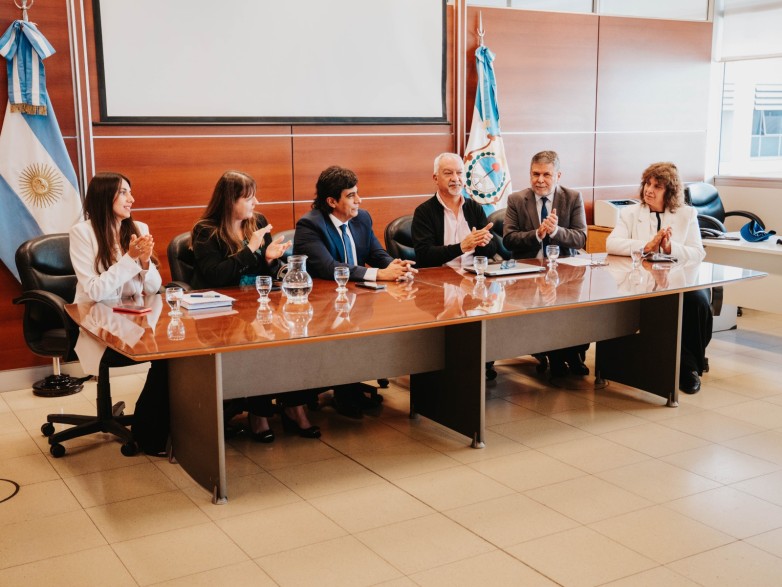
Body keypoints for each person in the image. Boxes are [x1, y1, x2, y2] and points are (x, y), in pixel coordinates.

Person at [191, 170, 320, 439]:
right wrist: (250, 249)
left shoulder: (257, 222)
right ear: (230, 200)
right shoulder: (206, 231)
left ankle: (294, 407)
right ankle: (259, 414)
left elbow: (266, 273)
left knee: (293, 337)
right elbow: (216, 277)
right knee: (259, 345)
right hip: (225, 315)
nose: (256, 203)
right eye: (249, 198)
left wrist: (271, 259)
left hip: (260, 305)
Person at [294, 165, 416, 418]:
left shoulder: (362, 218)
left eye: (357, 193)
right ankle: (344, 392)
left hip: (357, 301)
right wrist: (378, 274)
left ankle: (350, 386)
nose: (359, 200)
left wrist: (395, 266)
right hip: (324, 308)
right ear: (332, 201)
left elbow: (376, 253)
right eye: (351, 195)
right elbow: (328, 267)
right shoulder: (310, 225)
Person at [69, 172, 169, 456]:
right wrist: (130, 258)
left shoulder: (138, 227)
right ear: (104, 197)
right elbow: (95, 291)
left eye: (130, 192)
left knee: (172, 355)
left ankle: (154, 427)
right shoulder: (82, 233)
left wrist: (145, 262)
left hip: (136, 319)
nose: (131, 199)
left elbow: (154, 287)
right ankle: (150, 435)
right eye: (123, 192)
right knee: (165, 358)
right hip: (97, 323)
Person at [606, 161, 711, 394]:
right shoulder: (630, 213)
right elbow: (611, 243)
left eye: (657, 186)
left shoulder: (686, 214)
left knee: (698, 302)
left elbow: (698, 253)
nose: (649, 190)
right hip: (641, 280)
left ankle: (689, 369)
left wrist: (671, 247)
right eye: (647, 184)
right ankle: (655, 363)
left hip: (679, 280)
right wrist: (646, 245)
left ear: (670, 192)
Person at [502, 150, 590, 376]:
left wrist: (556, 231)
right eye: (535, 174)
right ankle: (557, 357)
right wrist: (538, 234)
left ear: (558, 175)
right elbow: (509, 240)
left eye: (546, 175)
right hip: (528, 274)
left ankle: (572, 352)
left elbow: (581, 238)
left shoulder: (573, 198)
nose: (539, 180)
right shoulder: (516, 200)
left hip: (565, 273)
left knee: (576, 310)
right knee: (542, 308)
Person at [411, 152, 497, 268]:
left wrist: (484, 243)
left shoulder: (474, 207)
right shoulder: (424, 212)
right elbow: (424, 255)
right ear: (436, 178)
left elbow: (492, 251)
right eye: (448, 173)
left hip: (473, 272)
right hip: (441, 276)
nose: (456, 178)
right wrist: (461, 247)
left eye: (460, 173)